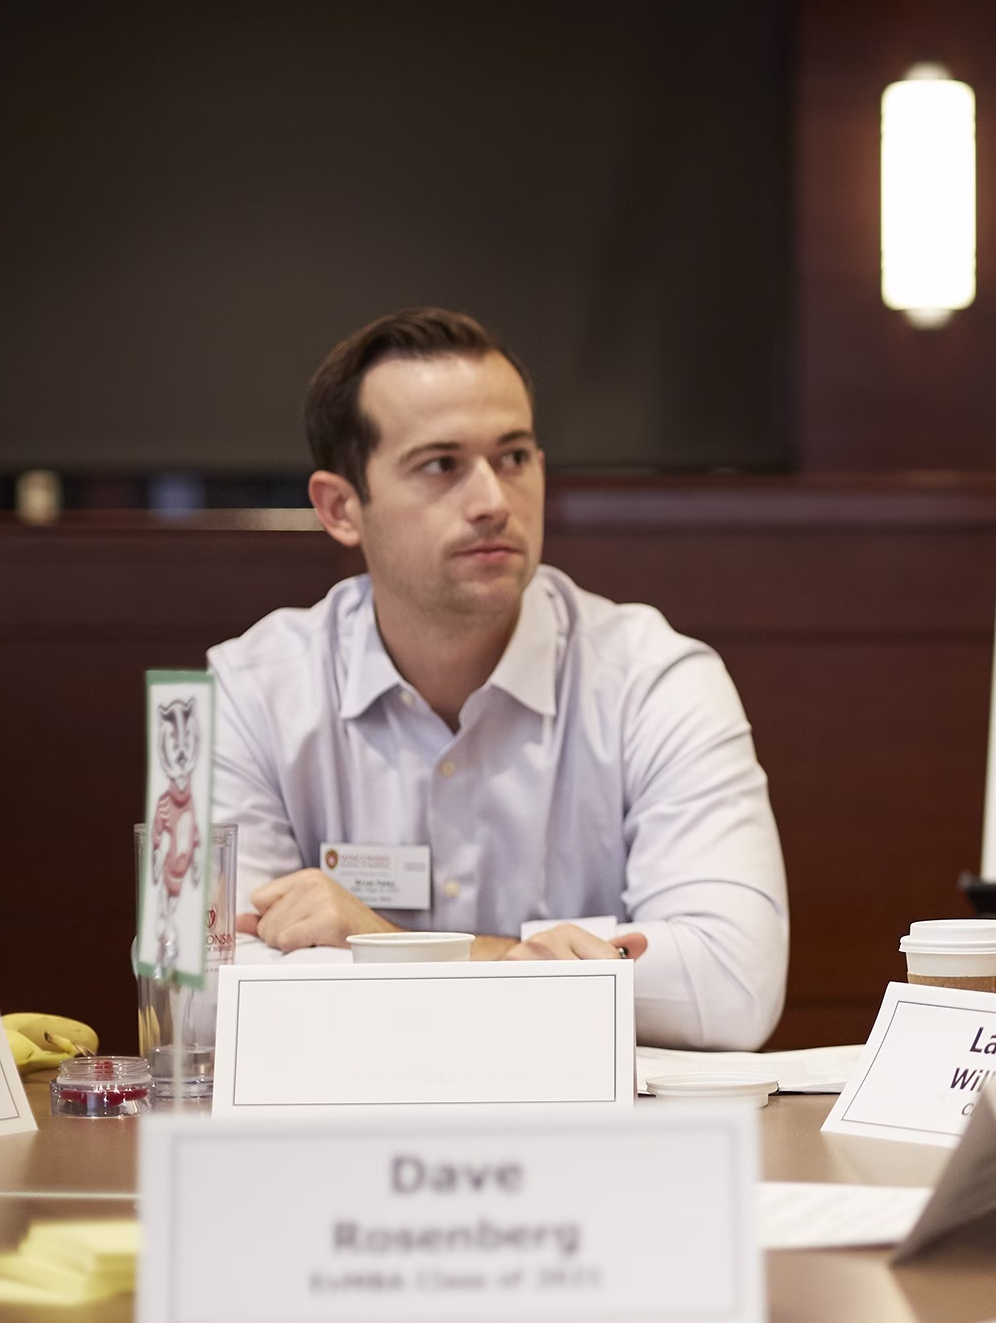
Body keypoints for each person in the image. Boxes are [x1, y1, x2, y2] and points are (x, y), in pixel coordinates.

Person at [211, 308, 789, 1051]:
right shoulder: (244, 692)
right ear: (340, 508)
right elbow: (198, 994)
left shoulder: (657, 679)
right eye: (440, 465)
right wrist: (547, 975)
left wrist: (382, 944)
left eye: (513, 457)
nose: (491, 501)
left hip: (598, 1150)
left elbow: (732, 987)